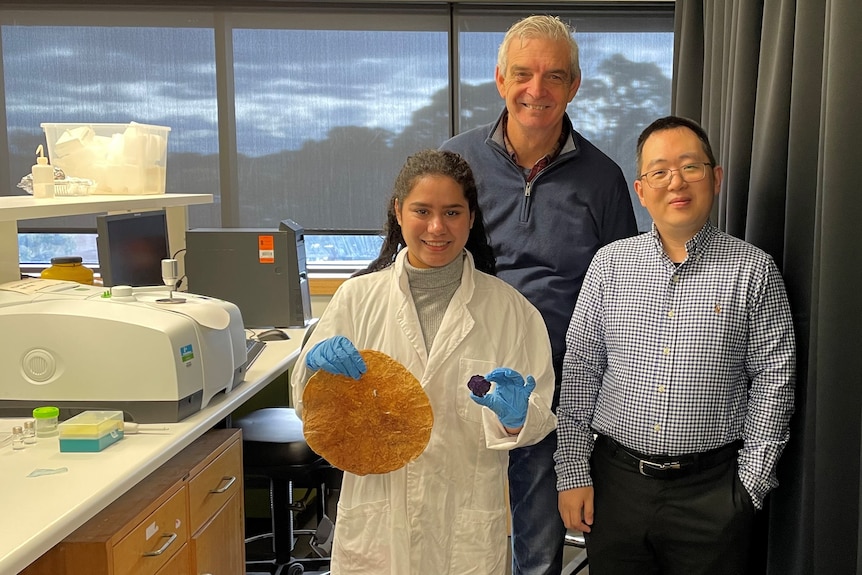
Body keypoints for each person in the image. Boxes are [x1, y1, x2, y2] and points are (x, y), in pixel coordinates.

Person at [291, 149, 557, 574]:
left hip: (465, 524)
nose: (437, 227)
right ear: (398, 212)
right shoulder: (357, 300)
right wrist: (313, 374)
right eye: (422, 211)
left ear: (471, 217)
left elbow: (538, 415)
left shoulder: (511, 312)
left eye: (452, 212)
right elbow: (311, 410)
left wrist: (517, 417)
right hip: (379, 519)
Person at [555, 115, 797, 574]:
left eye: (691, 167)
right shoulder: (609, 266)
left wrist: (750, 487)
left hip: (713, 494)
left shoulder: (754, 271)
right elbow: (581, 370)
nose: (676, 182)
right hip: (615, 486)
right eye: (659, 171)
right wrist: (572, 473)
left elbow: (774, 380)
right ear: (641, 190)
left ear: (716, 177)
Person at [440, 14, 638, 574]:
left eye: (554, 77)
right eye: (523, 74)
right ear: (500, 80)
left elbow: (626, 290)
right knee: (456, 527)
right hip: (464, 373)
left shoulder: (602, 178)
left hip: (556, 385)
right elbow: (416, 251)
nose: (537, 90)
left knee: (539, 537)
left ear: (574, 86)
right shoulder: (457, 163)